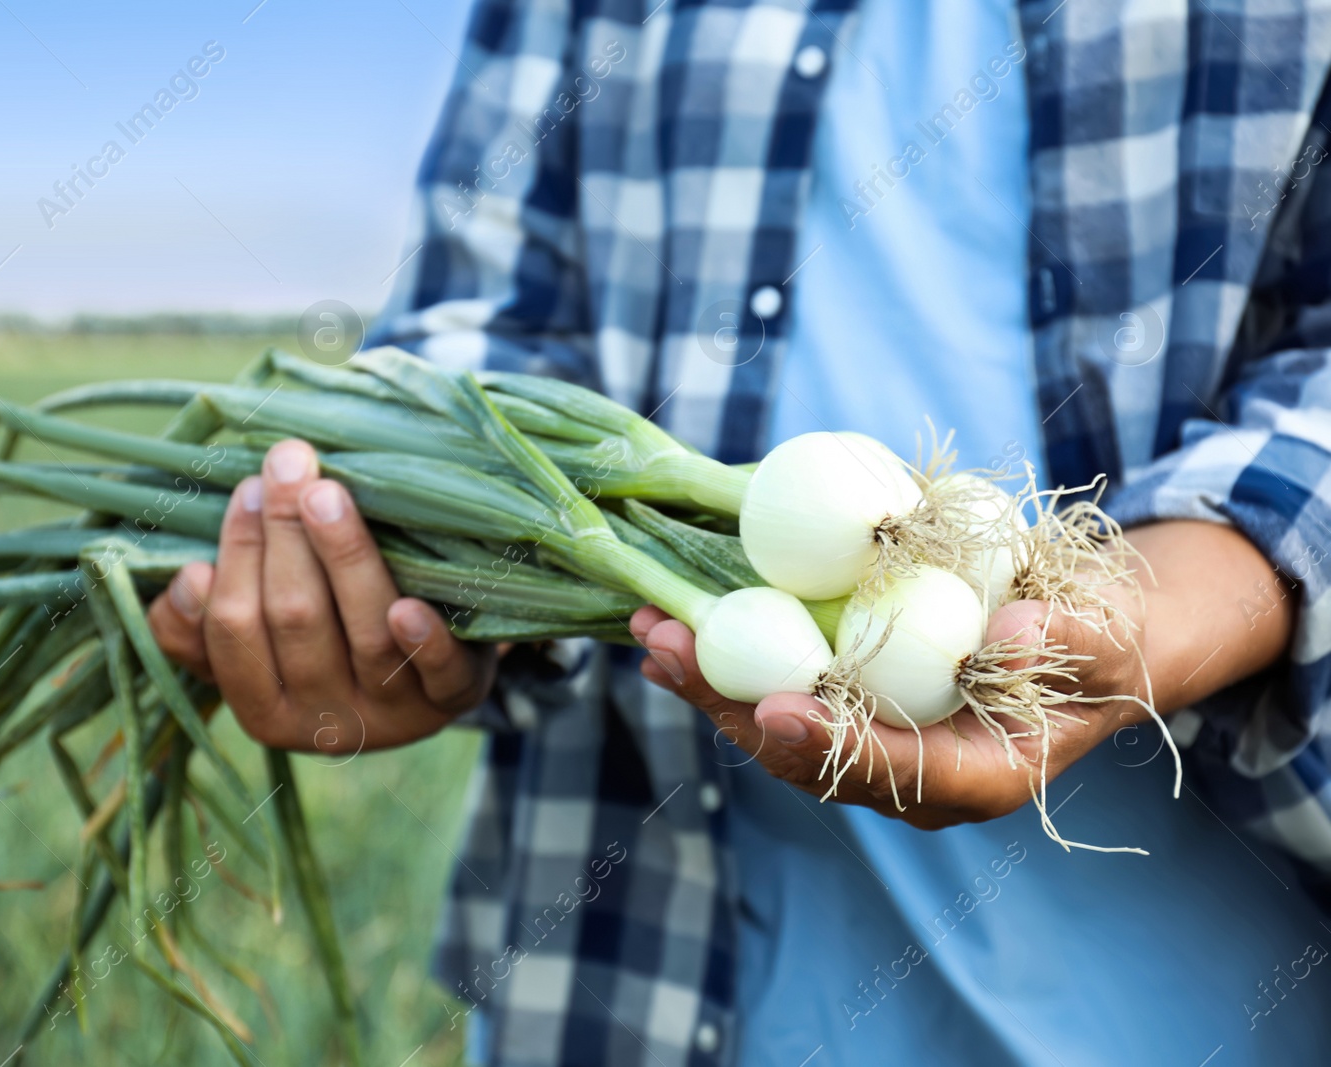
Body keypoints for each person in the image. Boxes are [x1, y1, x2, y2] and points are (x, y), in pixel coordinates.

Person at [150, 0, 1331, 1062]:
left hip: (1219, 996)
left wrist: (1177, 600)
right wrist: (420, 573)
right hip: (631, 987)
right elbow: (477, 328)